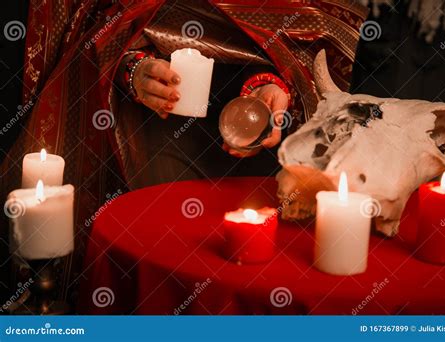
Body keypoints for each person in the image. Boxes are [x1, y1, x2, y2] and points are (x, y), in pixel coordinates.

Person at [0, 0, 366, 307]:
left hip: (259, 145)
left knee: (255, 282)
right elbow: (99, 15)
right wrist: (132, 68)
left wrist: (271, 84)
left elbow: (312, 25)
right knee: (170, 269)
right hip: (144, 131)